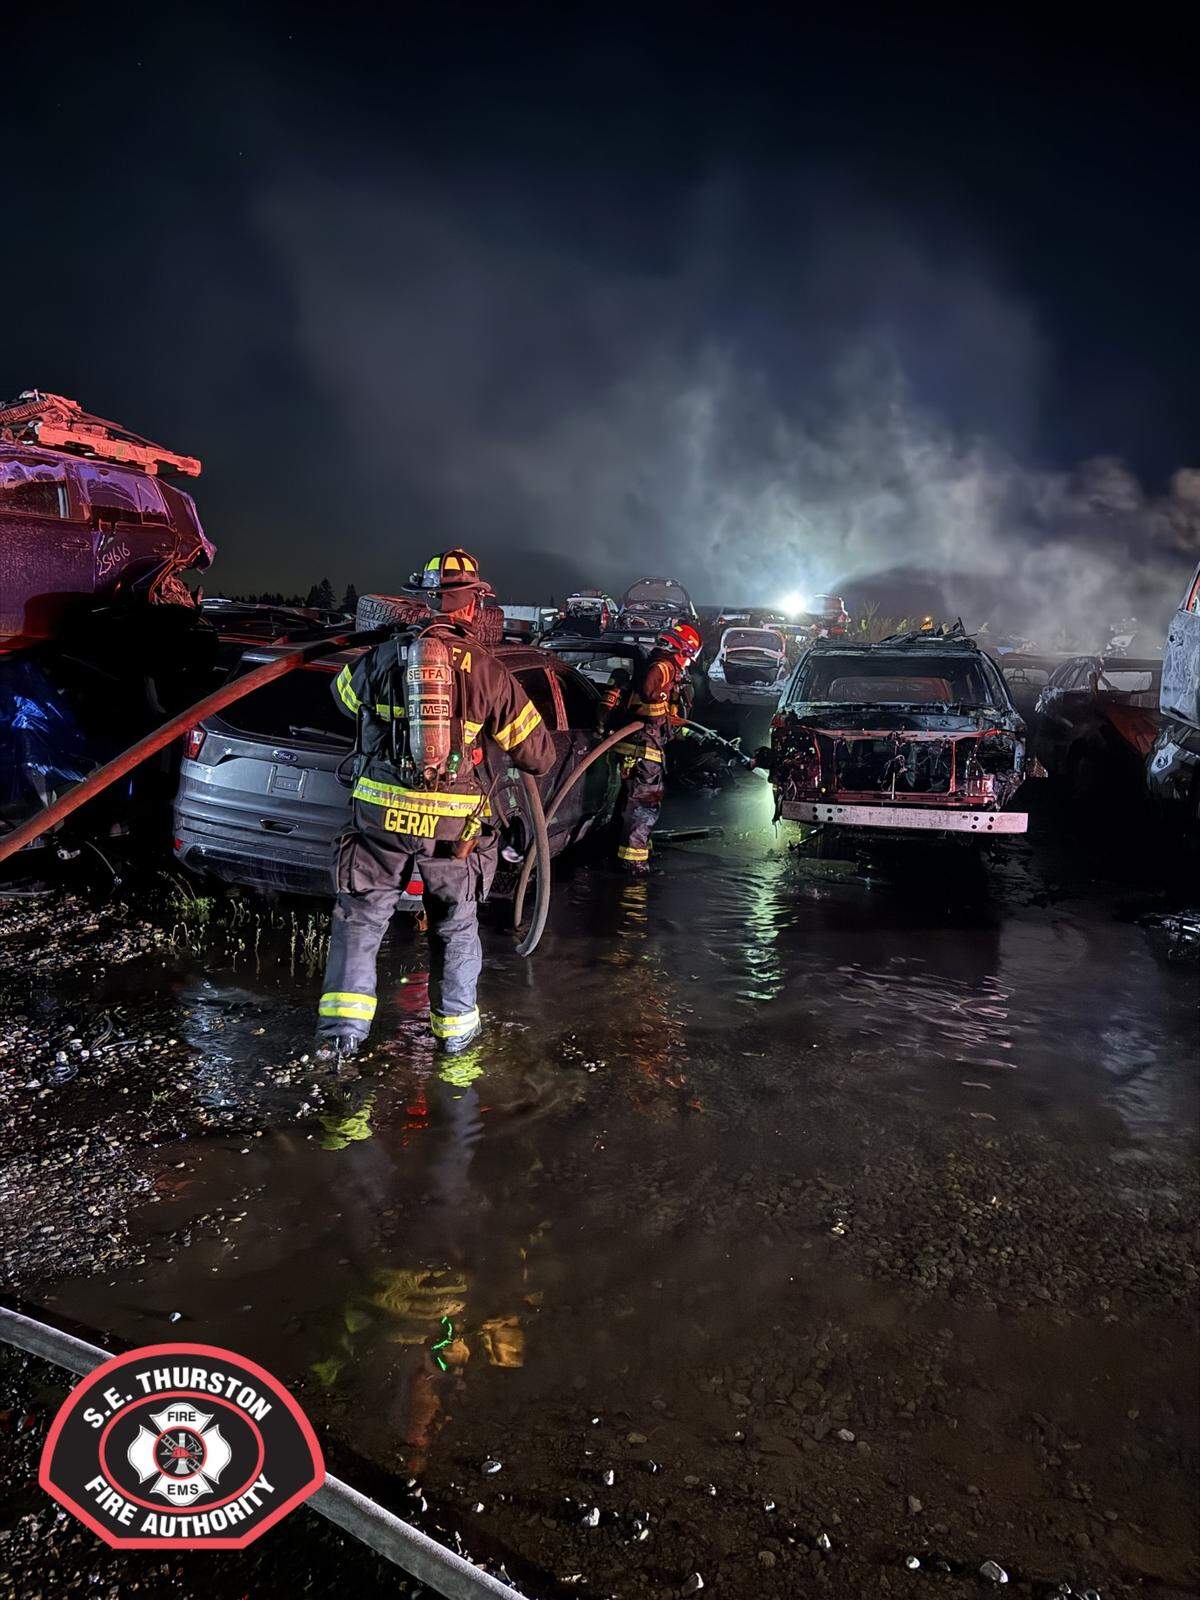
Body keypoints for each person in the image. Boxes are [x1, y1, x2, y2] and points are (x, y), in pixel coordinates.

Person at [316, 549, 555, 1057]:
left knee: (361, 922)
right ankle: (457, 1044)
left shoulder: (382, 657)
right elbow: (539, 756)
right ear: (472, 606)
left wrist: (385, 665)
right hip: (455, 832)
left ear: (424, 600)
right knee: (455, 924)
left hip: (381, 818)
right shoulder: (491, 672)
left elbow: (340, 699)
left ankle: (339, 1045)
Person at [598, 621, 702, 874]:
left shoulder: (654, 665)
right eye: (689, 658)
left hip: (630, 746)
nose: (688, 664)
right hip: (645, 749)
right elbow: (651, 701)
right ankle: (634, 863)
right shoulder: (664, 668)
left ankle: (618, 853)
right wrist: (666, 717)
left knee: (627, 805)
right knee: (645, 803)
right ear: (683, 652)